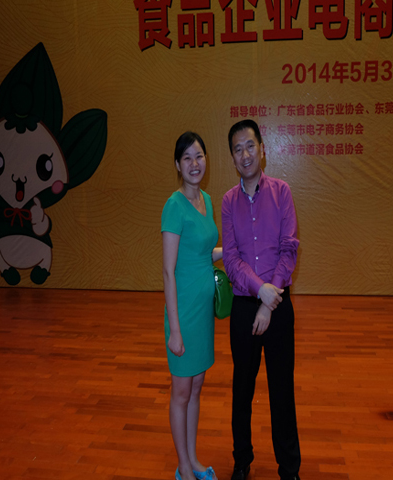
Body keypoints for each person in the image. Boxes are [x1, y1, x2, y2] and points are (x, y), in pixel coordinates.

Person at [221, 119, 301, 480]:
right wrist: (260, 291)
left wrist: (270, 298)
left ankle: (289, 468)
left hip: (278, 305)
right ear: (232, 157)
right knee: (242, 388)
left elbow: (289, 249)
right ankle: (242, 461)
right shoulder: (228, 201)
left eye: (250, 146)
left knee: (282, 390)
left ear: (263, 149)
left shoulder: (282, 192)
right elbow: (231, 258)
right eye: (237, 149)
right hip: (243, 307)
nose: (245, 154)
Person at [162, 132, 222, 480]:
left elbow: (202, 253)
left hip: (204, 314)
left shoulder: (207, 201)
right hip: (183, 313)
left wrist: (230, 252)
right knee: (182, 391)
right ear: (178, 165)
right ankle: (183, 467)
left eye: (198, 156)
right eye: (187, 158)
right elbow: (168, 271)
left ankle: (194, 459)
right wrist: (175, 330)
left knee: (197, 385)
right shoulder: (174, 206)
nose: (194, 164)